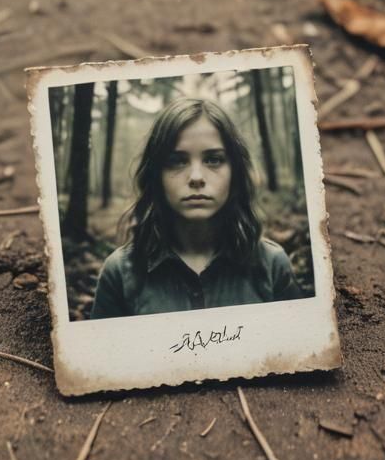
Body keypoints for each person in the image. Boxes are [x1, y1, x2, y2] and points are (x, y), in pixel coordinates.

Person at [90, 97, 304, 319]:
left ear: (235, 171)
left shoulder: (272, 266)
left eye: (213, 160)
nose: (196, 177)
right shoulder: (119, 273)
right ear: (156, 175)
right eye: (177, 161)